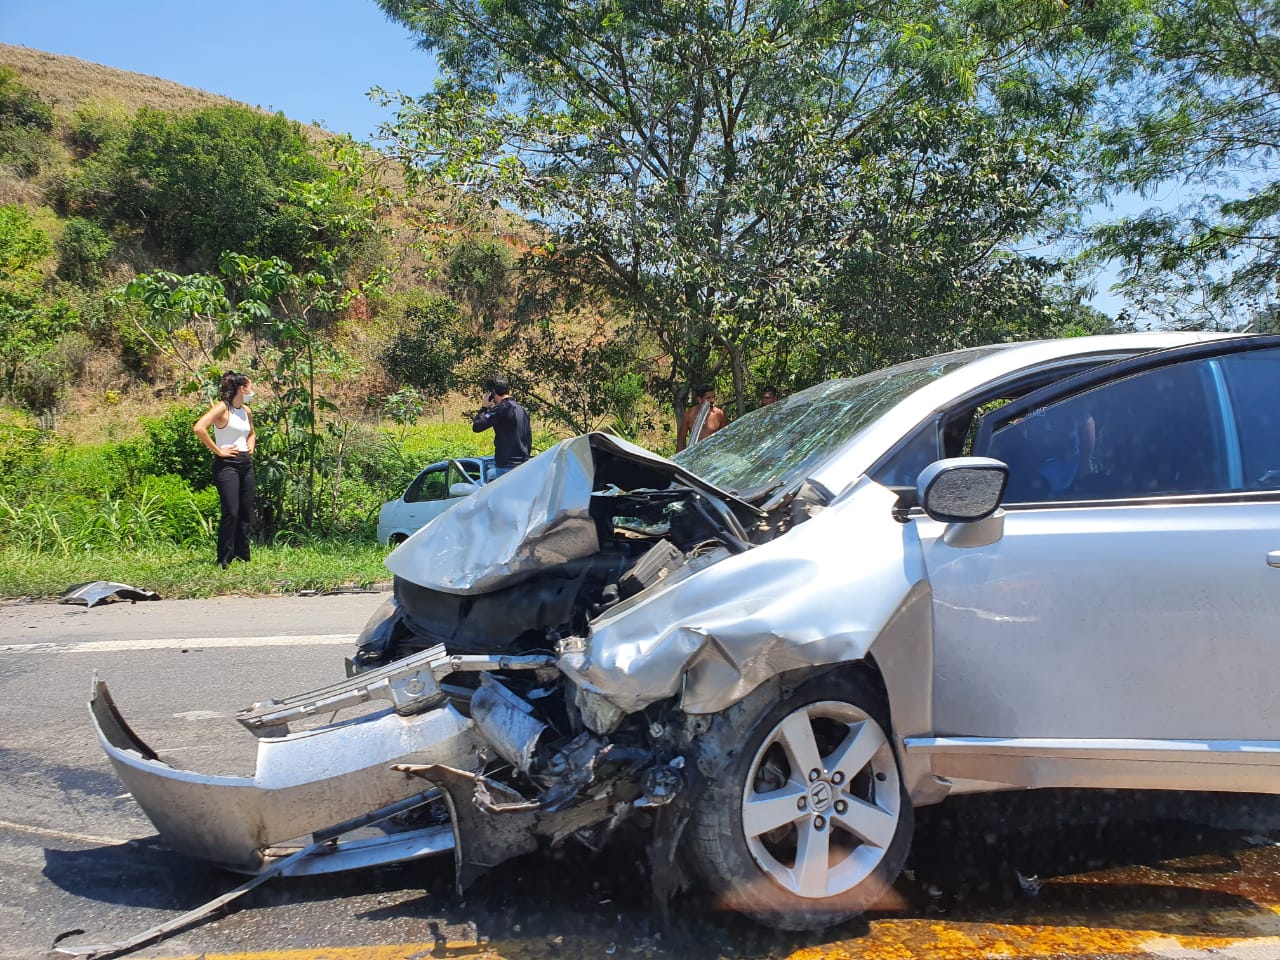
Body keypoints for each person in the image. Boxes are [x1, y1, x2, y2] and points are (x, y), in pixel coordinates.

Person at [194, 371, 256, 568]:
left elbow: (252, 432)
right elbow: (199, 428)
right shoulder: (223, 408)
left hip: (245, 463)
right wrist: (218, 451)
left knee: (246, 511)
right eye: (250, 387)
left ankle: (242, 556)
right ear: (241, 388)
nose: (252, 391)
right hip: (227, 465)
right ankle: (224, 558)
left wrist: (250, 445)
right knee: (231, 511)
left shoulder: (246, 411)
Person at [472, 377, 531, 478]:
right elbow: (528, 438)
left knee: (506, 494)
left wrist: (484, 408)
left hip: (506, 465)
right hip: (524, 464)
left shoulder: (500, 409)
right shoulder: (523, 410)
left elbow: (477, 426)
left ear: (493, 392)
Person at [677, 384, 728, 451]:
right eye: (708, 398)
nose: (712, 400)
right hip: (695, 454)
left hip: (714, 454)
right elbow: (681, 440)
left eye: (713, 397)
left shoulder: (719, 414)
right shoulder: (689, 415)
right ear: (699, 399)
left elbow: (726, 437)